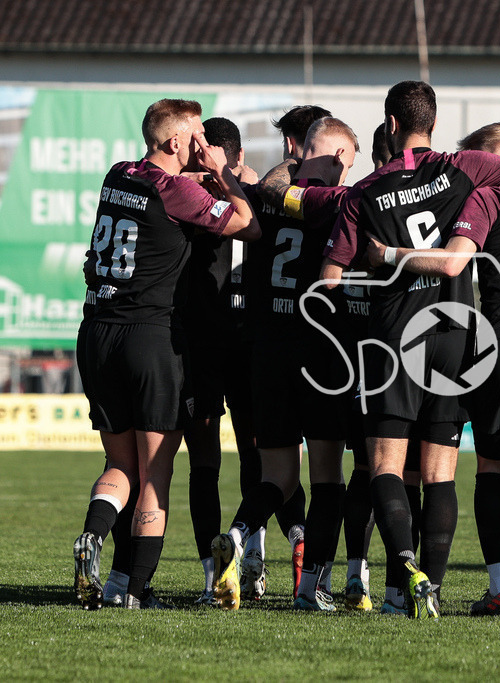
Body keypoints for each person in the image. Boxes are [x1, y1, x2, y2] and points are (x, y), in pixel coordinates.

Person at [319, 80, 500, 619]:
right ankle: (426, 587)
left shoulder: (364, 192)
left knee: (386, 467)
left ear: (390, 125)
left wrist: (372, 270)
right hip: (457, 336)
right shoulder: (467, 167)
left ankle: (402, 573)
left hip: (394, 338)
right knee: (440, 475)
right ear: (433, 122)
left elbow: (330, 279)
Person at [73, 99, 260, 609]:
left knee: (120, 465)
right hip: (149, 338)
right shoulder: (176, 191)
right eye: (196, 135)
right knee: (155, 474)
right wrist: (223, 172)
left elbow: (161, 189)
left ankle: (94, 536)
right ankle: (134, 592)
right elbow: (247, 223)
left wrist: (197, 174)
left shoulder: (118, 173)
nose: (201, 143)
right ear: (176, 141)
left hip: (96, 332)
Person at [209, 117, 359, 611]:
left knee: (276, 477)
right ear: (339, 157)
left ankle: (236, 534)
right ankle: (311, 587)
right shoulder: (339, 203)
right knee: (327, 480)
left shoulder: (266, 198)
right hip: (320, 353)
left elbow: (265, 186)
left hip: (267, 353)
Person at [181, 116, 262, 606]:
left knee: (210, 465)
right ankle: (246, 564)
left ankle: (219, 575)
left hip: (211, 346)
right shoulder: (253, 194)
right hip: (241, 345)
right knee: (250, 458)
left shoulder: (192, 199)